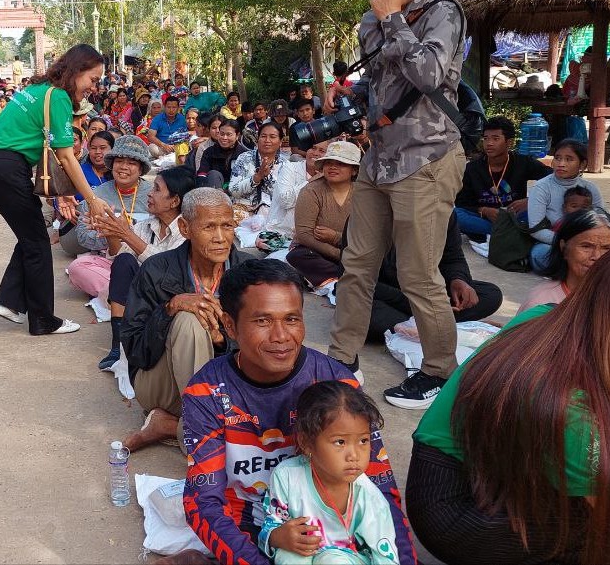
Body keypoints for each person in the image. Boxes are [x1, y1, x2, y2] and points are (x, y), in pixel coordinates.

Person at [180, 259, 415, 565]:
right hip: (248, 525)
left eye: (291, 319)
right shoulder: (207, 392)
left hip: (332, 525)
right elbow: (205, 501)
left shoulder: (337, 384)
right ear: (230, 325)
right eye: (263, 321)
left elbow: (380, 486)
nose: (281, 336)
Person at [329, 0, 468, 409]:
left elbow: (428, 74)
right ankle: (341, 361)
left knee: (418, 275)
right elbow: (385, 82)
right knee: (356, 265)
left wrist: (392, 19)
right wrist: (351, 95)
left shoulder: (444, 12)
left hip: (427, 158)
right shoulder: (369, 21)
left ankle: (438, 371)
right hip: (379, 159)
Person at [407, 249, 610, 565]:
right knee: (600, 527)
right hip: (456, 513)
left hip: (479, 478)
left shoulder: (551, 317)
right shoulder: (571, 406)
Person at [0, 44, 112, 336]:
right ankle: (42, 319)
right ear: (77, 70)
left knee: (31, 234)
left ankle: (10, 302)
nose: (94, 87)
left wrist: (64, 193)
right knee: (37, 242)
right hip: (7, 169)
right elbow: (66, 156)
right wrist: (92, 199)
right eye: (93, 79)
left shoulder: (38, 89)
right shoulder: (58, 97)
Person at [119, 188, 256, 451]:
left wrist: (221, 340)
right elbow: (136, 352)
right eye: (209, 227)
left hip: (231, 387)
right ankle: (205, 440)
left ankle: (172, 426)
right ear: (185, 228)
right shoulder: (156, 270)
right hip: (163, 385)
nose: (220, 238)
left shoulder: (249, 273)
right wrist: (168, 310)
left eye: (227, 226)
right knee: (189, 320)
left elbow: (261, 344)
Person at [258, 381, 398, 564]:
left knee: (331, 560)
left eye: (363, 441)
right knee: (288, 555)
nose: (354, 455)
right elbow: (271, 525)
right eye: (340, 442)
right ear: (306, 442)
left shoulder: (369, 498)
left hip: (349, 560)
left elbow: (385, 558)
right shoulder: (286, 476)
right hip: (304, 554)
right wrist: (278, 536)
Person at [88, 167, 197, 369]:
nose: (149, 193)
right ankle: (118, 344)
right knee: (123, 262)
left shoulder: (186, 231)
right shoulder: (146, 226)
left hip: (172, 297)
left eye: (156, 189)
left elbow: (168, 269)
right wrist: (111, 233)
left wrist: (126, 234)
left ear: (174, 201)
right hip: (141, 296)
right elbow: (120, 258)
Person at [364, 212, 502, 341]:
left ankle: (426, 325)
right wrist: (421, 306)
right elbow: (363, 281)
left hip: (426, 293)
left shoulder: (442, 211)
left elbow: (453, 258)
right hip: (382, 296)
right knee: (368, 317)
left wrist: (458, 280)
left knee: (490, 294)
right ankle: (443, 325)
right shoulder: (373, 212)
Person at [67, 136, 155, 301]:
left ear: (141, 169)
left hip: (144, 260)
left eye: (131, 163)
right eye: (119, 161)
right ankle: (136, 295)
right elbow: (83, 237)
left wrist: (127, 233)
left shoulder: (153, 195)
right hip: (109, 261)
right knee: (77, 268)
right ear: (112, 164)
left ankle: (119, 296)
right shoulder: (96, 196)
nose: (123, 167)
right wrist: (109, 236)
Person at [454, 116, 551, 239]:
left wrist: (530, 201)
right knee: (455, 215)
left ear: (509, 142)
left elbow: (553, 179)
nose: (489, 143)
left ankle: (497, 234)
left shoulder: (523, 162)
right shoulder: (472, 168)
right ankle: (510, 232)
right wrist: (484, 210)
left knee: (545, 211)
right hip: (486, 219)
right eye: (485, 138)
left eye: (495, 138)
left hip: (516, 215)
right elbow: (462, 203)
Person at [286, 141, 361, 290]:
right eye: (329, 163)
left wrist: (335, 237)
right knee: (297, 256)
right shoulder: (311, 191)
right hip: (316, 250)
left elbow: (365, 234)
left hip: (351, 250)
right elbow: (304, 235)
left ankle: (344, 275)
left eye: (340, 164)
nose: (333, 167)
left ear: (353, 170)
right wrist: (339, 255)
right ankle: (346, 276)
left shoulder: (363, 194)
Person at [516, 207, 610, 314]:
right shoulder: (542, 304)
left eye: (607, 248)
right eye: (586, 246)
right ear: (564, 248)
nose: (597, 256)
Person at [528, 138, 604, 270]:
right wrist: (569, 242)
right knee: (540, 255)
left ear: (582, 165)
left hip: (587, 242)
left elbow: (601, 222)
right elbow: (536, 231)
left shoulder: (591, 188)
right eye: (557, 158)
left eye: (569, 159)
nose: (561, 164)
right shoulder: (541, 187)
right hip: (554, 243)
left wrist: (585, 242)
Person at [230, 121, 288, 213]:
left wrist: (268, 177)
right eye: (263, 136)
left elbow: (285, 198)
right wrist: (257, 177)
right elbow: (233, 190)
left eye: (272, 137)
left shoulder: (285, 164)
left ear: (280, 142)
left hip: (273, 213)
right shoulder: (245, 158)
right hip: (244, 211)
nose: (267, 140)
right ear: (258, 139)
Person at [195, 118, 248, 190]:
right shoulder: (209, 152)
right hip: (213, 189)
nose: (224, 138)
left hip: (236, 190)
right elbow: (202, 174)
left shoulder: (244, 154)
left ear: (237, 135)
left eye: (229, 135)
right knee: (214, 174)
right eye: (222, 134)